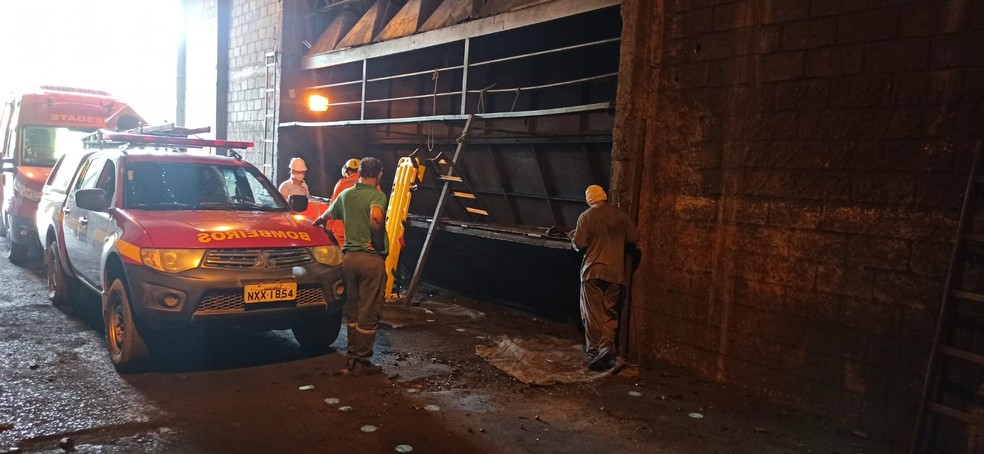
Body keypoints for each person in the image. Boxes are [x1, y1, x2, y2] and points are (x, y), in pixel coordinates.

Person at [313, 157, 389, 376]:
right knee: (369, 310)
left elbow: (324, 217)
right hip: (369, 259)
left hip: (348, 259)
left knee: (353, 309)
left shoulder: (345, 194)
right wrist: (377, 241)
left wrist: (317, 229)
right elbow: (376, 218)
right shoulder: (377, 195)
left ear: (359, 173)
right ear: (379, 174)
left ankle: (351, 358)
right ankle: (363, 361)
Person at [570, 184, 638, 371]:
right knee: (609, 313)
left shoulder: (586, 216)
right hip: (616, 273)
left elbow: (579, 243)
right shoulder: (621, 216)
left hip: (592, 271)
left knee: (592, 314)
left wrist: (572, 237)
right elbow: (633, 238)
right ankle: (607, 346)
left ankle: (594, 353)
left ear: (589, 199)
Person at [326, 158, 362, 245]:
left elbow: (333, 208)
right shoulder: (371, 184)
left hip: (343, 231)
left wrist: (328, 227)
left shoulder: (341, 184)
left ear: (347, 171)